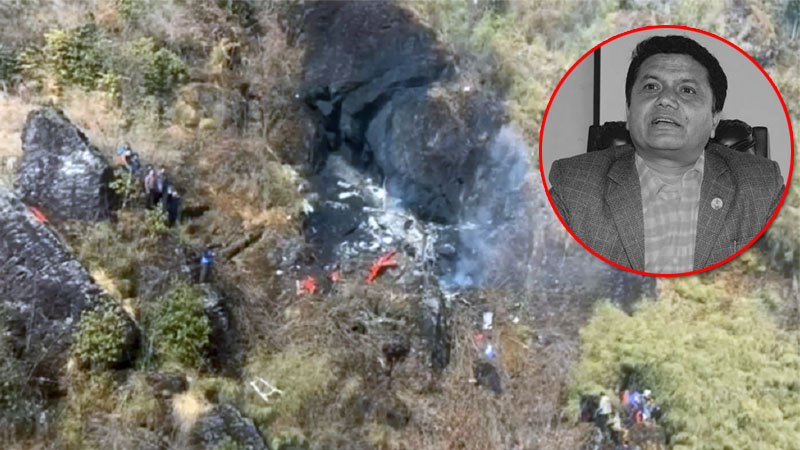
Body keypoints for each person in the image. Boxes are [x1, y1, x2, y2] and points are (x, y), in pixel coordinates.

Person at [548, 34, 784, 273]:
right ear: (629, 112)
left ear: (714, 119)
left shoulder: (761, 187)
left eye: (687, 90)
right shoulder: (574, 187)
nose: (666, 99)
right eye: (651, 87)